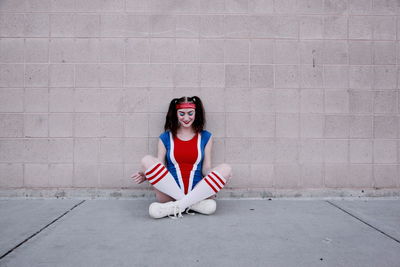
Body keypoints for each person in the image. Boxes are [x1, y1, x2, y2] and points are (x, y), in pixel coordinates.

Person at [131, 96, 232, 219]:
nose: (186, 118)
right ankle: (191, 204)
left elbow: (206, 168)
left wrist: (219, 177)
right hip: (169, 194)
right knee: (146, 160)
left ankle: (177, 206)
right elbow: (160, 165)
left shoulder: (206, 137)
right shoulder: (165, 137)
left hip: (199, 191)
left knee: (226, 169)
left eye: (190, 113)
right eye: (181, 114)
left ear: (196, 113)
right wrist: (148, 173)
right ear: (176, 114)